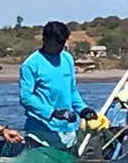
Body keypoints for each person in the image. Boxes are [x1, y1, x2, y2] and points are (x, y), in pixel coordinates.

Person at [19, 21, 97, 149]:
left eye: (62, 43)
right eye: (56, 44)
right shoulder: (30, 65)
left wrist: (83, 109)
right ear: (45, 40)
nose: (59, 47)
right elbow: (26, 97)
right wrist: (52, 113)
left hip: (67, 132)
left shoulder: (67, 59)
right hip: (40, 134)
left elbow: (71, 91)